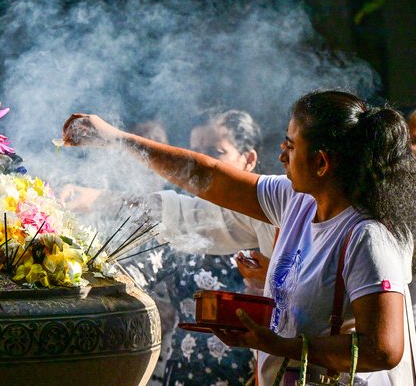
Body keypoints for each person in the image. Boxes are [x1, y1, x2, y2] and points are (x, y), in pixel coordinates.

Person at [62, 90, 416, 384]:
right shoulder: (295, 200)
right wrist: (116, 139)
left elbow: (383, 349)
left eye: (291, 147)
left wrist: (281, 345)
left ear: (321, 163)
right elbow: (208, 175)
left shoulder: (368, 236)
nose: (281, 155)